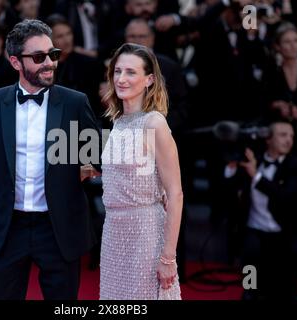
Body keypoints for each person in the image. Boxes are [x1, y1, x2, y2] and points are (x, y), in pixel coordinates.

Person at [0, 19, 101, 300]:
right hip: (8, 228)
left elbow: (94, 162)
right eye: (39, 57)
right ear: (16, 62)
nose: (50, 63)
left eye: (53, 54)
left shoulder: (75, 103)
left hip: (57, 229)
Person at [99, 43, 183, 300]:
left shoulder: (155, 122)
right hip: (113, 230)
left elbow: (175, 193)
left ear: (149, 79)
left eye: (131, 72)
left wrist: (168, 257)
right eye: (117, 71)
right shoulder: (118, 122)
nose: (121, 79)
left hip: (145, 232)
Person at [224, 119, 297, 300]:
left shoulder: (296, 165)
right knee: (250, 268)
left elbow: (286, 196)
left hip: (283, 233)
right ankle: (249, 291)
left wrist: (256, 176)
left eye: (291, 136)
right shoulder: (253, 159)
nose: (289, 140)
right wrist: (231, 167)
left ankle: (289, 292)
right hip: (254, 231)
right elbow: (231, 189)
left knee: (285, 289)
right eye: (283, 135)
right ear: (268, 139)